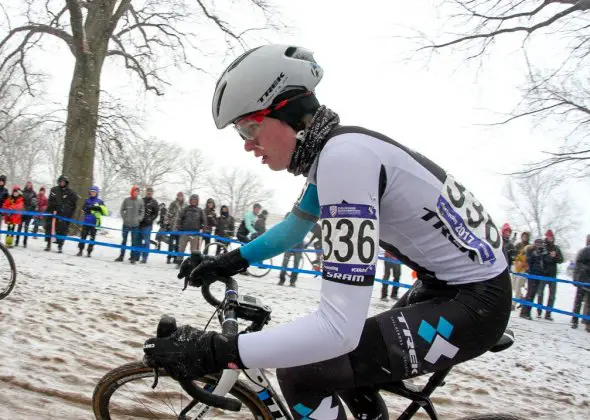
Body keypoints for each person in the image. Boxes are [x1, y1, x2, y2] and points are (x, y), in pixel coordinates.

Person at [143, 44, 512, 420]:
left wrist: (217, 351)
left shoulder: (344, 161)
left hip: (474, 302)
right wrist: (229, 261)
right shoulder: (338, 151)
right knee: (345, 370)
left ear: (288, 111)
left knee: (304, 372)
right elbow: (294, 229)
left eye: (249, 127)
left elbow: (338, 328)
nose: (247, 144)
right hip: (451, 288)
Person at [519, 238, 551, 320]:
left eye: (541, 243)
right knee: (530, 293)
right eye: (538, 243)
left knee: (533, 295)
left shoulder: (544, 252)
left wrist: (544, 254)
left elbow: (547, 261)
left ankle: (527, 312)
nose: (539, 245)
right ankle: (524, 312)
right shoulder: (531, 251)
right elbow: (529, 260)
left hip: (539, 275)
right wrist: (535, 254)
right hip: (532, 274)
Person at [44, 175, 77, 253]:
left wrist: (65, 209)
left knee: (62, 230)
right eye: (61, 182)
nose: (62, 183)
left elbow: (73, 204)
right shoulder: (54, 190)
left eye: (63, 182)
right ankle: (48, 244)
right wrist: (53, 206)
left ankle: (60, 246)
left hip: (63, 215)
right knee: (50, 229)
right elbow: (50, 201)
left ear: (66, 183)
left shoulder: (70, 192)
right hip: (53, 213)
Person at [536, 229, 563, 320]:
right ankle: (539, 311)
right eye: (548, 237)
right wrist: (549, 256)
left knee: (552, 295)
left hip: (552, 275)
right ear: (546, 237)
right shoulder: (543, 247)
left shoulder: (556, 248)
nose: (550, 238)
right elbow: (540, 258)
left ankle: (548, 313)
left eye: (551, 237)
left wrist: (555, 256)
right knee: (540, 293)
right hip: (543, 273)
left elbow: (561, 260)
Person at [115, 185, 144, 263]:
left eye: (138, 191)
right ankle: (121, 256)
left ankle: (132, 258)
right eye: (135, 191)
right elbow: (122, 210)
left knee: (134, 242)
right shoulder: (126, 200)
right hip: (126, 225)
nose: (137, 192)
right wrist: (125, 218)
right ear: (132, 191)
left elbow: (142, 211)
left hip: (135, 225)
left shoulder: (140, 201)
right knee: (124, 241)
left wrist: (139, 219)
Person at [77, 186, 108, 257]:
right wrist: (88, 208)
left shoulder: (100, 201)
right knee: (83, 236)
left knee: (92, 237)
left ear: (97, 193)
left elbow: (105, 212)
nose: (92, 193)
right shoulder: (87, 200)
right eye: (91, 191)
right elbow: (83, 209)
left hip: (95, 222)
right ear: (89, 192)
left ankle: (89, 252)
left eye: (94, 192)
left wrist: (98, 208)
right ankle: (80, 250)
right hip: (86, 221)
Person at [176, 194, 205, 266]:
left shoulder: (200, 210)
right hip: (184, 232)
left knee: (194, 250)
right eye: (192, 199)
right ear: (190, 200)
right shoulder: (185, 209)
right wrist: (179, 227)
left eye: (195, 200)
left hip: (195, 234)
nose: (194, 201)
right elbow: (180, 219)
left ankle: (193, 264)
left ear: (197, 201)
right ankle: (179, 262)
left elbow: (204, 221)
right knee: (181, 248)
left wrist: (202, 228)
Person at [571, 234, 590, 331]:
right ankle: (574, 320)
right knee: (578, 301)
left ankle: (587, 323)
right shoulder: (585, 251)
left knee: (587, 303)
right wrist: (576, 278)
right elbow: (578, 264)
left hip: (587, 280)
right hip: (583, 279)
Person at [278, 212, 302, 287]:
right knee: (285, 262)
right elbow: (283, 230)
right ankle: (282, 279)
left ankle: (293, 281)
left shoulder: (301, 220)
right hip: (289, 244)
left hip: (298, 245)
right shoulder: (288, 218)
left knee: (296, 264)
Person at [139, 187, 159, 263]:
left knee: (146, 242)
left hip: (147, 225)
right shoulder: (141, 200)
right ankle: (137, 255)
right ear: (146, 192)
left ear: (152, 193)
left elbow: (156, 213)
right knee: (138, 241)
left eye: (150, 192)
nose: (149, 193)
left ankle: (145, 257)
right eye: (148, 191)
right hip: (139, 224)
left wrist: (150, 219)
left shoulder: (154, 202)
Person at [511, 232, 531, 309]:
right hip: (515, 267)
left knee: (518, 285)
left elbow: (529, 258)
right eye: (523, 236)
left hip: (523, 269)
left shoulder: (529, 247)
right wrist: (516, 259)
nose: (524, 238)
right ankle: (521, 298)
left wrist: (524, 264)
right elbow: (514, 254)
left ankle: (514, 304)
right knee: (513, 286)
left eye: (526, 236)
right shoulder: (518, 245)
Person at [166, 192, 186, 264]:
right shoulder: (173, 203)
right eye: (179, 195)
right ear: (177, 196)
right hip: (173, 226)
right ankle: (169, 257)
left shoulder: (185, 205)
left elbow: (185, 216)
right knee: (171, 243)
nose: (180, 197)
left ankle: (175, 257)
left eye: (181, 196)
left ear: (183, 197)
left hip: (180, 228)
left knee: (178, 243)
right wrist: (168, 223)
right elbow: (168, 214)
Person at [18, 181, 38, 247]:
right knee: (19, 227)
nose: (28, 185)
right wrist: (21, 207)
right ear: (26, 185)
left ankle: (25, 242)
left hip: (29, 213)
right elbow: (19, 200)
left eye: (30, 184)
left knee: (26, 228)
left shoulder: (34, 193)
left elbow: (35, 204)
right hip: (21, 212)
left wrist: (32, 208)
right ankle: (17, 241)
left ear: (31, 185)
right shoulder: (22, 192)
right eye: (27, 184)